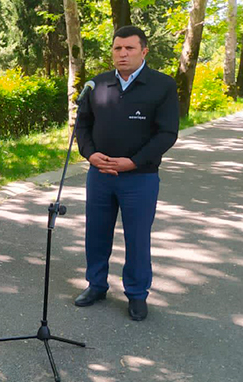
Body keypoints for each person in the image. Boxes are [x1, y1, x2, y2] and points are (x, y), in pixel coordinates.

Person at [74, 26, 179, 321]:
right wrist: (89, 154)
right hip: (100, 175)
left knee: (137, 238)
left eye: (129, 48)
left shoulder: (162, 85)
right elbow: (82, 125)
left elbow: (167, 133)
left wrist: (133, 162)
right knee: (96, 233)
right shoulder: (97, 84)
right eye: (117, 48)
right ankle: (96, 285)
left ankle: (136, 294)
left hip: (140, 177)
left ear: (144, 51)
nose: (122, 54)